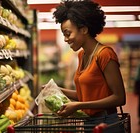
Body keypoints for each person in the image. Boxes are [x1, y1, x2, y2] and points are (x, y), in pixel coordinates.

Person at [51, 0, 126, 131]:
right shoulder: (82, 55)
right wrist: (56, 89)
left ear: (84, 29)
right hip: (89, 122)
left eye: (68, 33)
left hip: (106, 123)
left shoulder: (105, 54)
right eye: (64, 35)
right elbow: (86, 95)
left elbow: (119, 98)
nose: (65, 39)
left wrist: (78, 106)